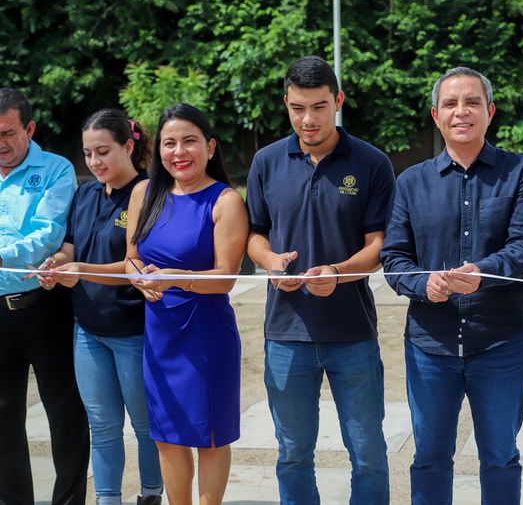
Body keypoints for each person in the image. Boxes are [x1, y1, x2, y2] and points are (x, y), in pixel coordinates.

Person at [381, 66, 523, 504]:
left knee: (500, 456)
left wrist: (481, 274)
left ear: (489, 112)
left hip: (500, 343)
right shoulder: (410, 182)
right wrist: (425, 284)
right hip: (429, 346)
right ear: (436, 115)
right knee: (431, 457)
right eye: (451, 104)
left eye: (472, 102)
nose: (462, 111)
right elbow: (394, 259)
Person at [246, 55, 394, 505]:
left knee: (367, 452)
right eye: (297, 108)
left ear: (338, 102)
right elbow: (253, 234)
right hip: (286, 334)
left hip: (352, 332)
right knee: (293, 453)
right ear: (286, 104)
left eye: (319, 107)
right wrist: (272, 262)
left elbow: (380, 246)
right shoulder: (266, 161)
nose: (308, 119)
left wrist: (337, 273)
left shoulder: (372, 162)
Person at [33, 109, 163, 505]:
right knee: (102, 426)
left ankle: (151, 493)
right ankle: (108, 499)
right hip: (87, 329)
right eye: (88, 154)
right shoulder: (86, 193)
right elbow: (71, 246)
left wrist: (81, 270)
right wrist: (56, 263)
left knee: (144, 425)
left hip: (134, 330)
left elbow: (133, 265)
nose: (95, 162)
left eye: (103, 152)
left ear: (129, 146)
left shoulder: (149, 194)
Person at [125, 103, 248, 505]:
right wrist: (138, 279)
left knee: (209, 438)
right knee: (167, 438)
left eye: (189, 142)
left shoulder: (226, 200)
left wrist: (174, 278)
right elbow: (132, 256)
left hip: (205, 336)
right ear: (158, 149)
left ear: (210, 147)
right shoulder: (144, 192)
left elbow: (226, 277)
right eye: (170, 143)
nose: (179, 152)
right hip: (159, 336)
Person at [0, 88, 89, 505]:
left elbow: (47, 236)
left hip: (45, 306)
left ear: (29, 128)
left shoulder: (56, 170)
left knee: (65, 415)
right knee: (3, 421)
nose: (0, 143)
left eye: (7, 133)